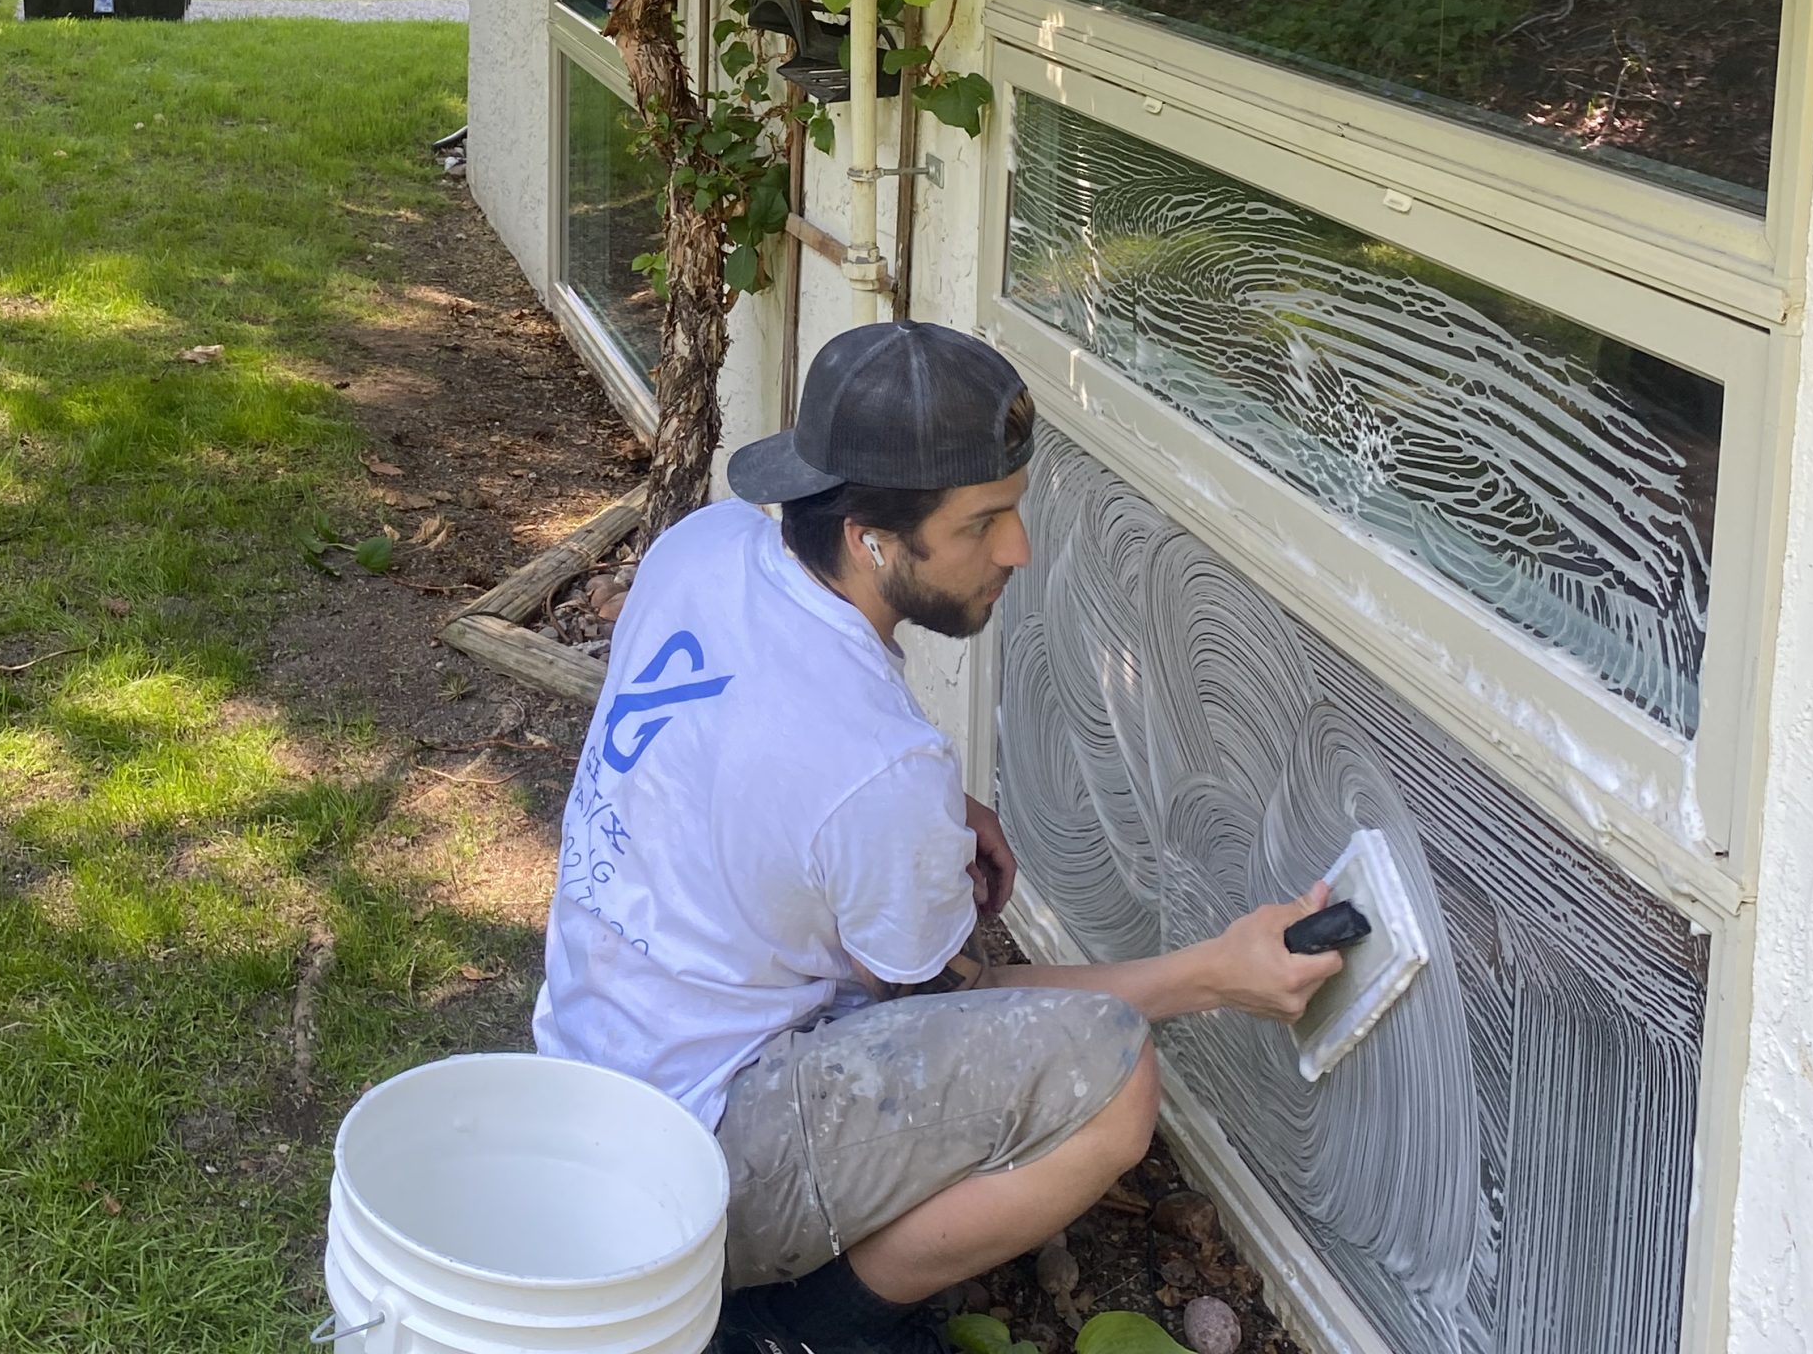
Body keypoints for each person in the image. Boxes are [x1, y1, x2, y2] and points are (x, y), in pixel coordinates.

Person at [533, 319, 1344, 1354]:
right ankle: (801, 1329)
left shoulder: (709, 546)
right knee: (1115, 1084)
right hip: (689, 1165)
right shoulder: (877, 768)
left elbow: (741, 755)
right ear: (872, 532)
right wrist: (1215, 975)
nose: (1019, 548)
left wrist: (931, 810)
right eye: (983, 523)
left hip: (583, 1070)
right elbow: (926, 1009)